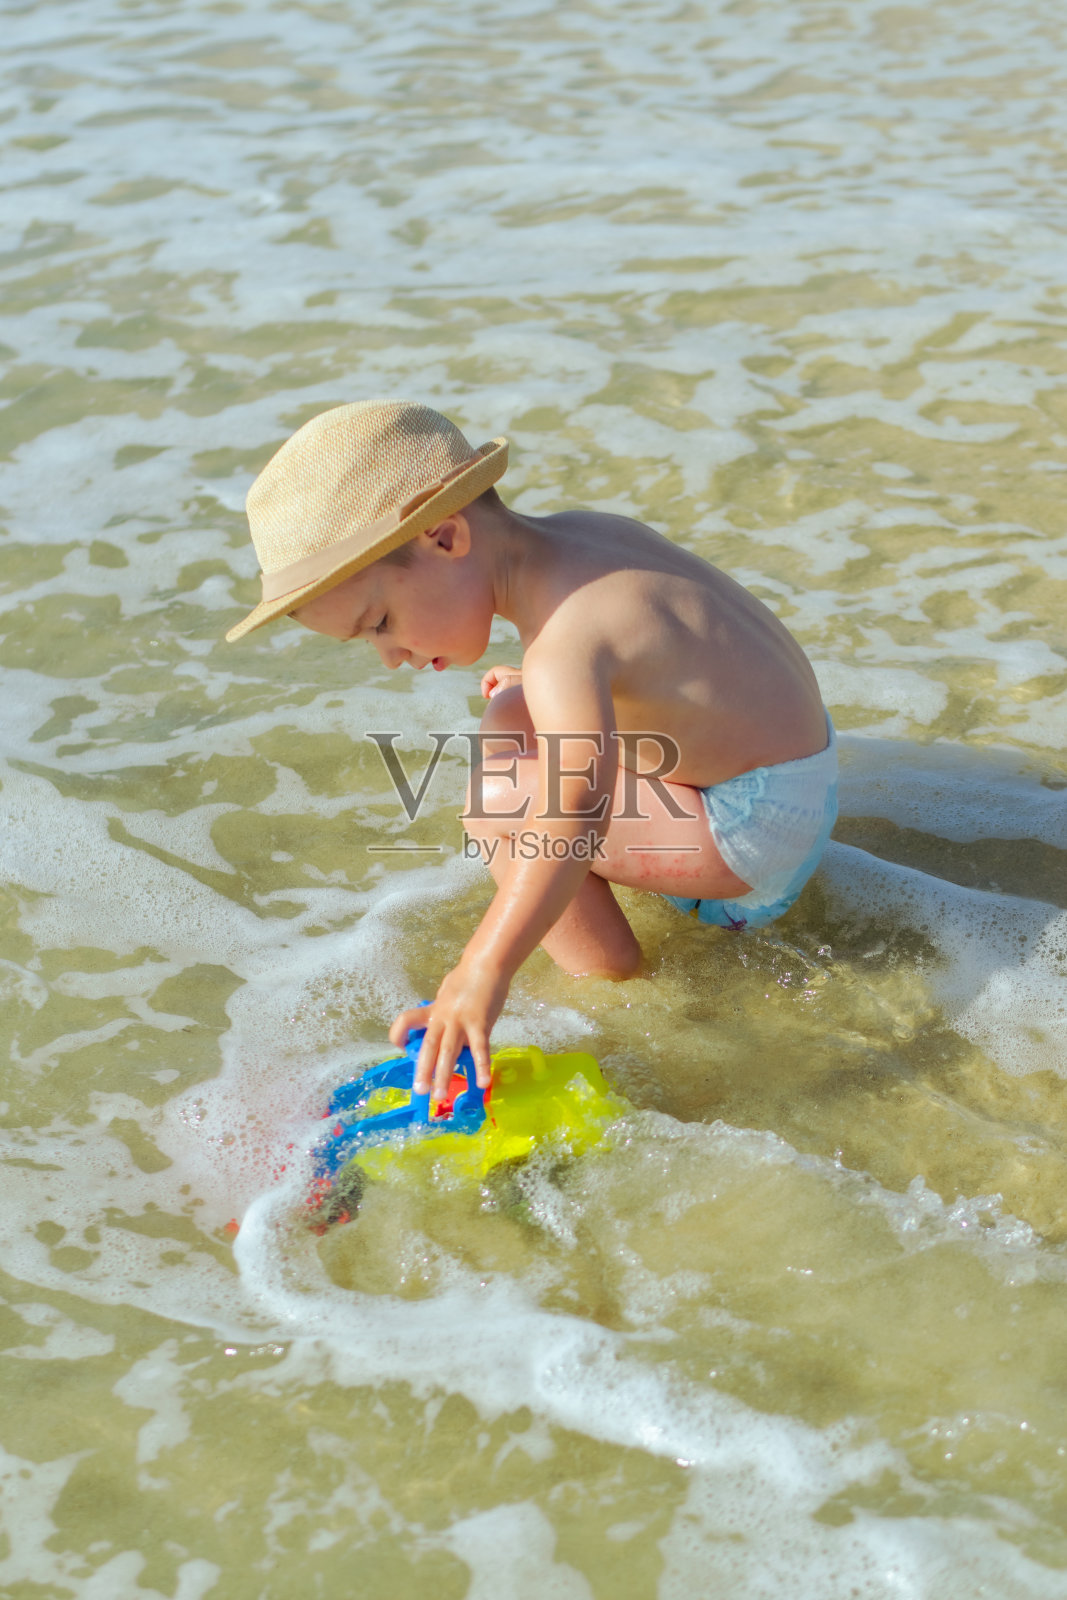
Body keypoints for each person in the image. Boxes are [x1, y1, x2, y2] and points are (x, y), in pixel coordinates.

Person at [225, 398, 837, 1097]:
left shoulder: (564, 651)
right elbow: (676, 663)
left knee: (498, 803)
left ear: (446, 538)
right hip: (798, 779)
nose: (389, 655)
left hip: (752, 839)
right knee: (511, 712)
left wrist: (481, 969)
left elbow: (572, 816)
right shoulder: (591, 537)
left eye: (381, 622)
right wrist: (564, 689)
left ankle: (611, 989)